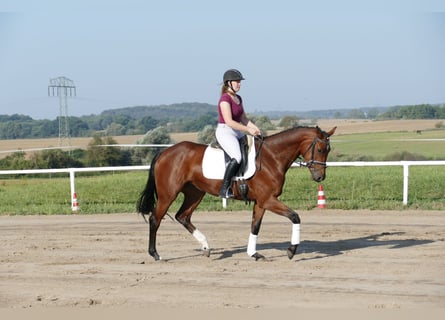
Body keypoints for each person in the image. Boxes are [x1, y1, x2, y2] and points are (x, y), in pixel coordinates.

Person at [215, 69, 261, 198]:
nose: (239, 84)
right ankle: (224, 189)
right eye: (237, 82)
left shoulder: (238, 98)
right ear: (229, 83)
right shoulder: (224, 99)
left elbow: (244, 119)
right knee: (237, 156)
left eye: (240, 82)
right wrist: (248, 130)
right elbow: (229, 121)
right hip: (226, 131)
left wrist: (256, 129)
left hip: (237, 130)